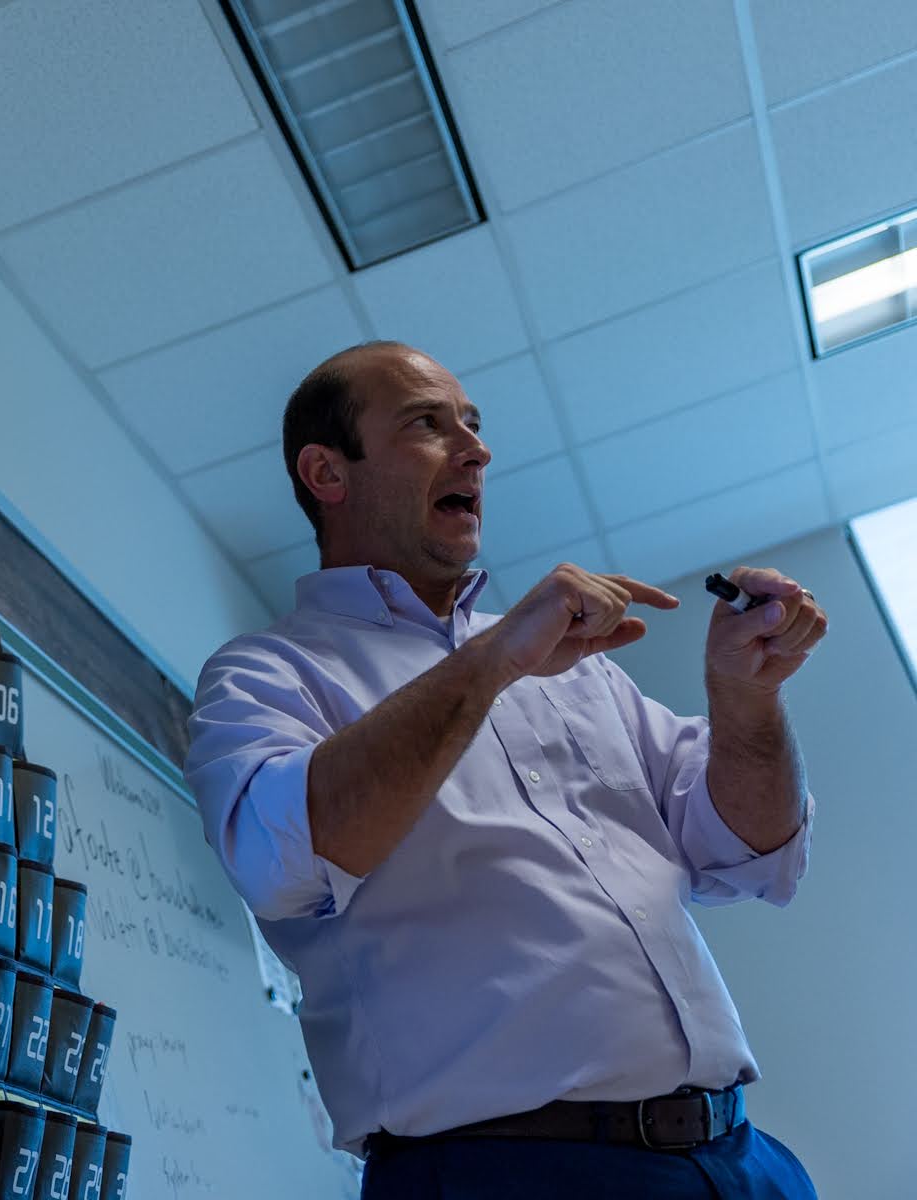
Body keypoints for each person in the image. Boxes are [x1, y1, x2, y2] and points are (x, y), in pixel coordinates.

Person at [184, 342, 823, 1198]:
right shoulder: (268, 674)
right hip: (505, 1173)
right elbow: (279, 860)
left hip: (740, 1158)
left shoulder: (579, 671)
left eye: (474, 426)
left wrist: (745, 699)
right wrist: (492, 661)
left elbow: (751, 854)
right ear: (327, 472)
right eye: (427, 423)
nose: (475, 449)